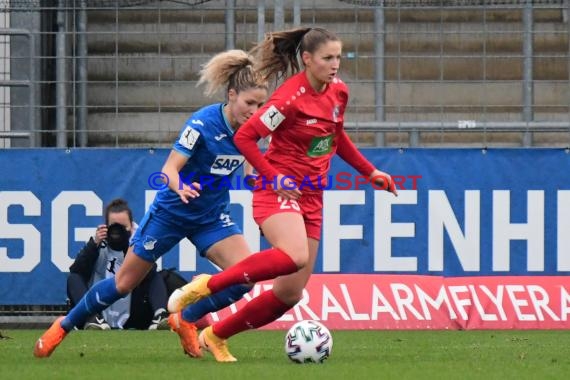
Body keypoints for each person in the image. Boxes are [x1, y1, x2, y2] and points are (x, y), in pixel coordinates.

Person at [167, 27, 398, 362]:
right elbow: (246, 137)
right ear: (307, 59)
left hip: (312, 195)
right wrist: (273, 177)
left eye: (338, 57)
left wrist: (370, 172)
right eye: (327, 58)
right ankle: (204, 286)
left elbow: (335, 139)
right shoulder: (288, 99)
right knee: (294, 254)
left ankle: (215, 335)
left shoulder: (339, 92)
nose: (335, 64)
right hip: (276, 187)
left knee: (290, 292)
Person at [33, 49, 269, 359]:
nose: (255, 111)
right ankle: (63, 326)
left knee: (244, 277)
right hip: (170, 213)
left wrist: (269, 187)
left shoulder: (254, 130)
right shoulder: (202, 124)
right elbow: (168, 170)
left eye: (261, 105)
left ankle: (184, 317)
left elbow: (251, 174)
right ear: (232, 94)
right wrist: (181, 186)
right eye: (249, 103)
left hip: (210, 217)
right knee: (122, 284)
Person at [67, 198, 170, 330]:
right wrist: (94, 244)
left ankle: (159, 316)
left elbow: (150, 272)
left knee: (157, 275)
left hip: (133, 311)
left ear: (131, 227)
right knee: (73, 278)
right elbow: (76, 270)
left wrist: (132, 245)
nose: (118, 232)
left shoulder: (138, 242)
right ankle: (92, 319)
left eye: (122, 228)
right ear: (106, 226)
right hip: (99, 310)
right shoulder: (98, 244)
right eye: (114, 227)